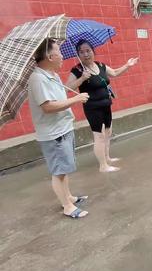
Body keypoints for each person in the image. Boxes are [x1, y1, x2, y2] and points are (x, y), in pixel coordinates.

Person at [27, 39, 90, 218]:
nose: (62, 56)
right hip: (53, 133)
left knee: (65, 168)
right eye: (59, 52)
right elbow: (48, 107)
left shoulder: (52, 75)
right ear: (49, 56)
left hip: (64, 128)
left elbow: (59, 97)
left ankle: (68, 196)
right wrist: (75, 100)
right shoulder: (38, 78)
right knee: (59, 171)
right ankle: (67, 206)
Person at [66, 41, 138, 172]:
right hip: (92, 107)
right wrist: (81, 79)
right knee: (98, 136)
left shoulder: (100, 65)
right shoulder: (77, 70)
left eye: (88, 50)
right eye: (81, 52)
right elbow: (67, 88)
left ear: (93, 51)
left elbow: (115, 73)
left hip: (106, 104)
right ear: (78, 54)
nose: (85, 54)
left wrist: (128, 65)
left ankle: (107, 158)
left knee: (108, 132)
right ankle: (103, 166)